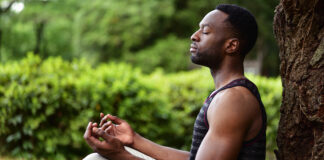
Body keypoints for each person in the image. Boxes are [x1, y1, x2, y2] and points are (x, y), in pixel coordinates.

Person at [83, 4, 267, 160]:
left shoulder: (233, 99)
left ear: (231, 45)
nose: (194, 36)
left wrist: (122, 156)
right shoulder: (228, 94)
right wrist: (134, 140)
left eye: (205, 31)